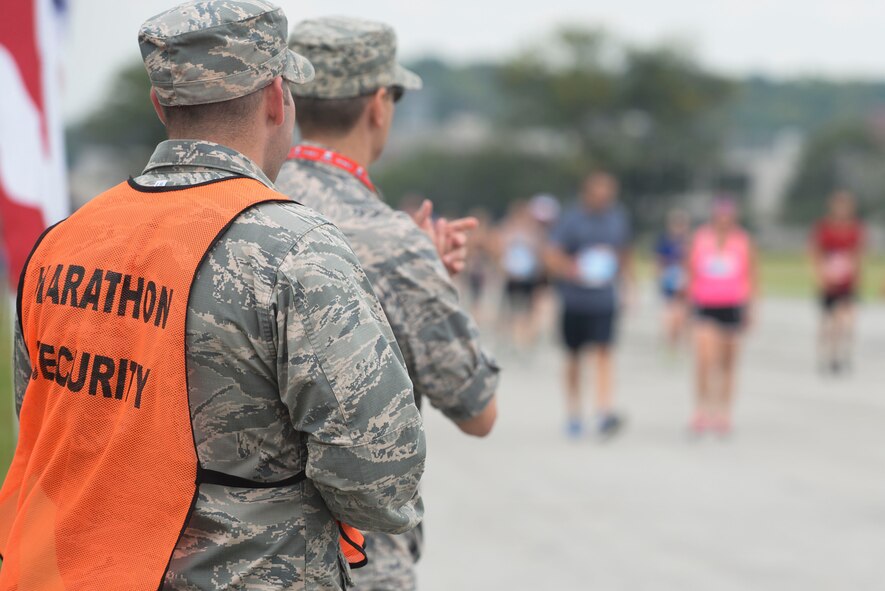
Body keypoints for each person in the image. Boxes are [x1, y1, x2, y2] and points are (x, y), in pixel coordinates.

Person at [0, 3, 426, 590]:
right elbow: (379, 483)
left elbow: (46, 423)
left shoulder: (61, 243)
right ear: (278, 98)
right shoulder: (295, 249)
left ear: (160, 106)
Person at [278, 17, 500, 591]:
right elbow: (478, 410)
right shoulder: (391, 241)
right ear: (380, 104)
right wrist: (426, 279)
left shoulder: (251, 201)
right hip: (354, 562)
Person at [547, 172, 633, 440]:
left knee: (604, 353)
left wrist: (628, 285)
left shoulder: (617, 219)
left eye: (608, 194)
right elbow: (552, 254)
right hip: (575, 299)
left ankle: (604, 410)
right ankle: (574, 413)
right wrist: (571, 269)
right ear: (587, 193)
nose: (604, 198)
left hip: (604, 299)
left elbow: (624, 253)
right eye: (599, 193)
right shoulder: (572, 220)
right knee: (574, 357)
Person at [687, 197, 756, 437]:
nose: (724, 220)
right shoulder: (701, 238)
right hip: (706, 304)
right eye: (720, 215)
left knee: (728, 363)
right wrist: (689, 302)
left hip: (732, 304)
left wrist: (750, 308)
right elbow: (691, 271)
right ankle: (702, 409)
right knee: (705, 360)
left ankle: (723, 412)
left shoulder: (742, 241)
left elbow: (751, 275)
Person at [810, 190, 865, 374]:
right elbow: (815, 253)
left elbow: (858, 255)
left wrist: (856, 276)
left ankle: (843, 354)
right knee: (828, 321)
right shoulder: (824, 227)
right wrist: (821, 275)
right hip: (829, 281)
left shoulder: (855, 228)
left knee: (847, 320)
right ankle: (826, 355)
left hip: (847, 282)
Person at [496, 199, 546, 351]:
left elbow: (540, 253)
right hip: (513, 275)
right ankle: (515, 338)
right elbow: (500, 250)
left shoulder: (534, 231)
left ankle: (524, 338)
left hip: (528, 276)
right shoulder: (508, 229)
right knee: (512, 309)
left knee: (527, 309)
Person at [655, 209, 692, 353]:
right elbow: (659, 261)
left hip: (684, 279)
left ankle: (681, 339)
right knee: (671, 311)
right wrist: (661, 277)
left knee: (684, 312)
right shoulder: (665, 241)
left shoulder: (688, 241)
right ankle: (670, 340)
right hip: (669, 279)